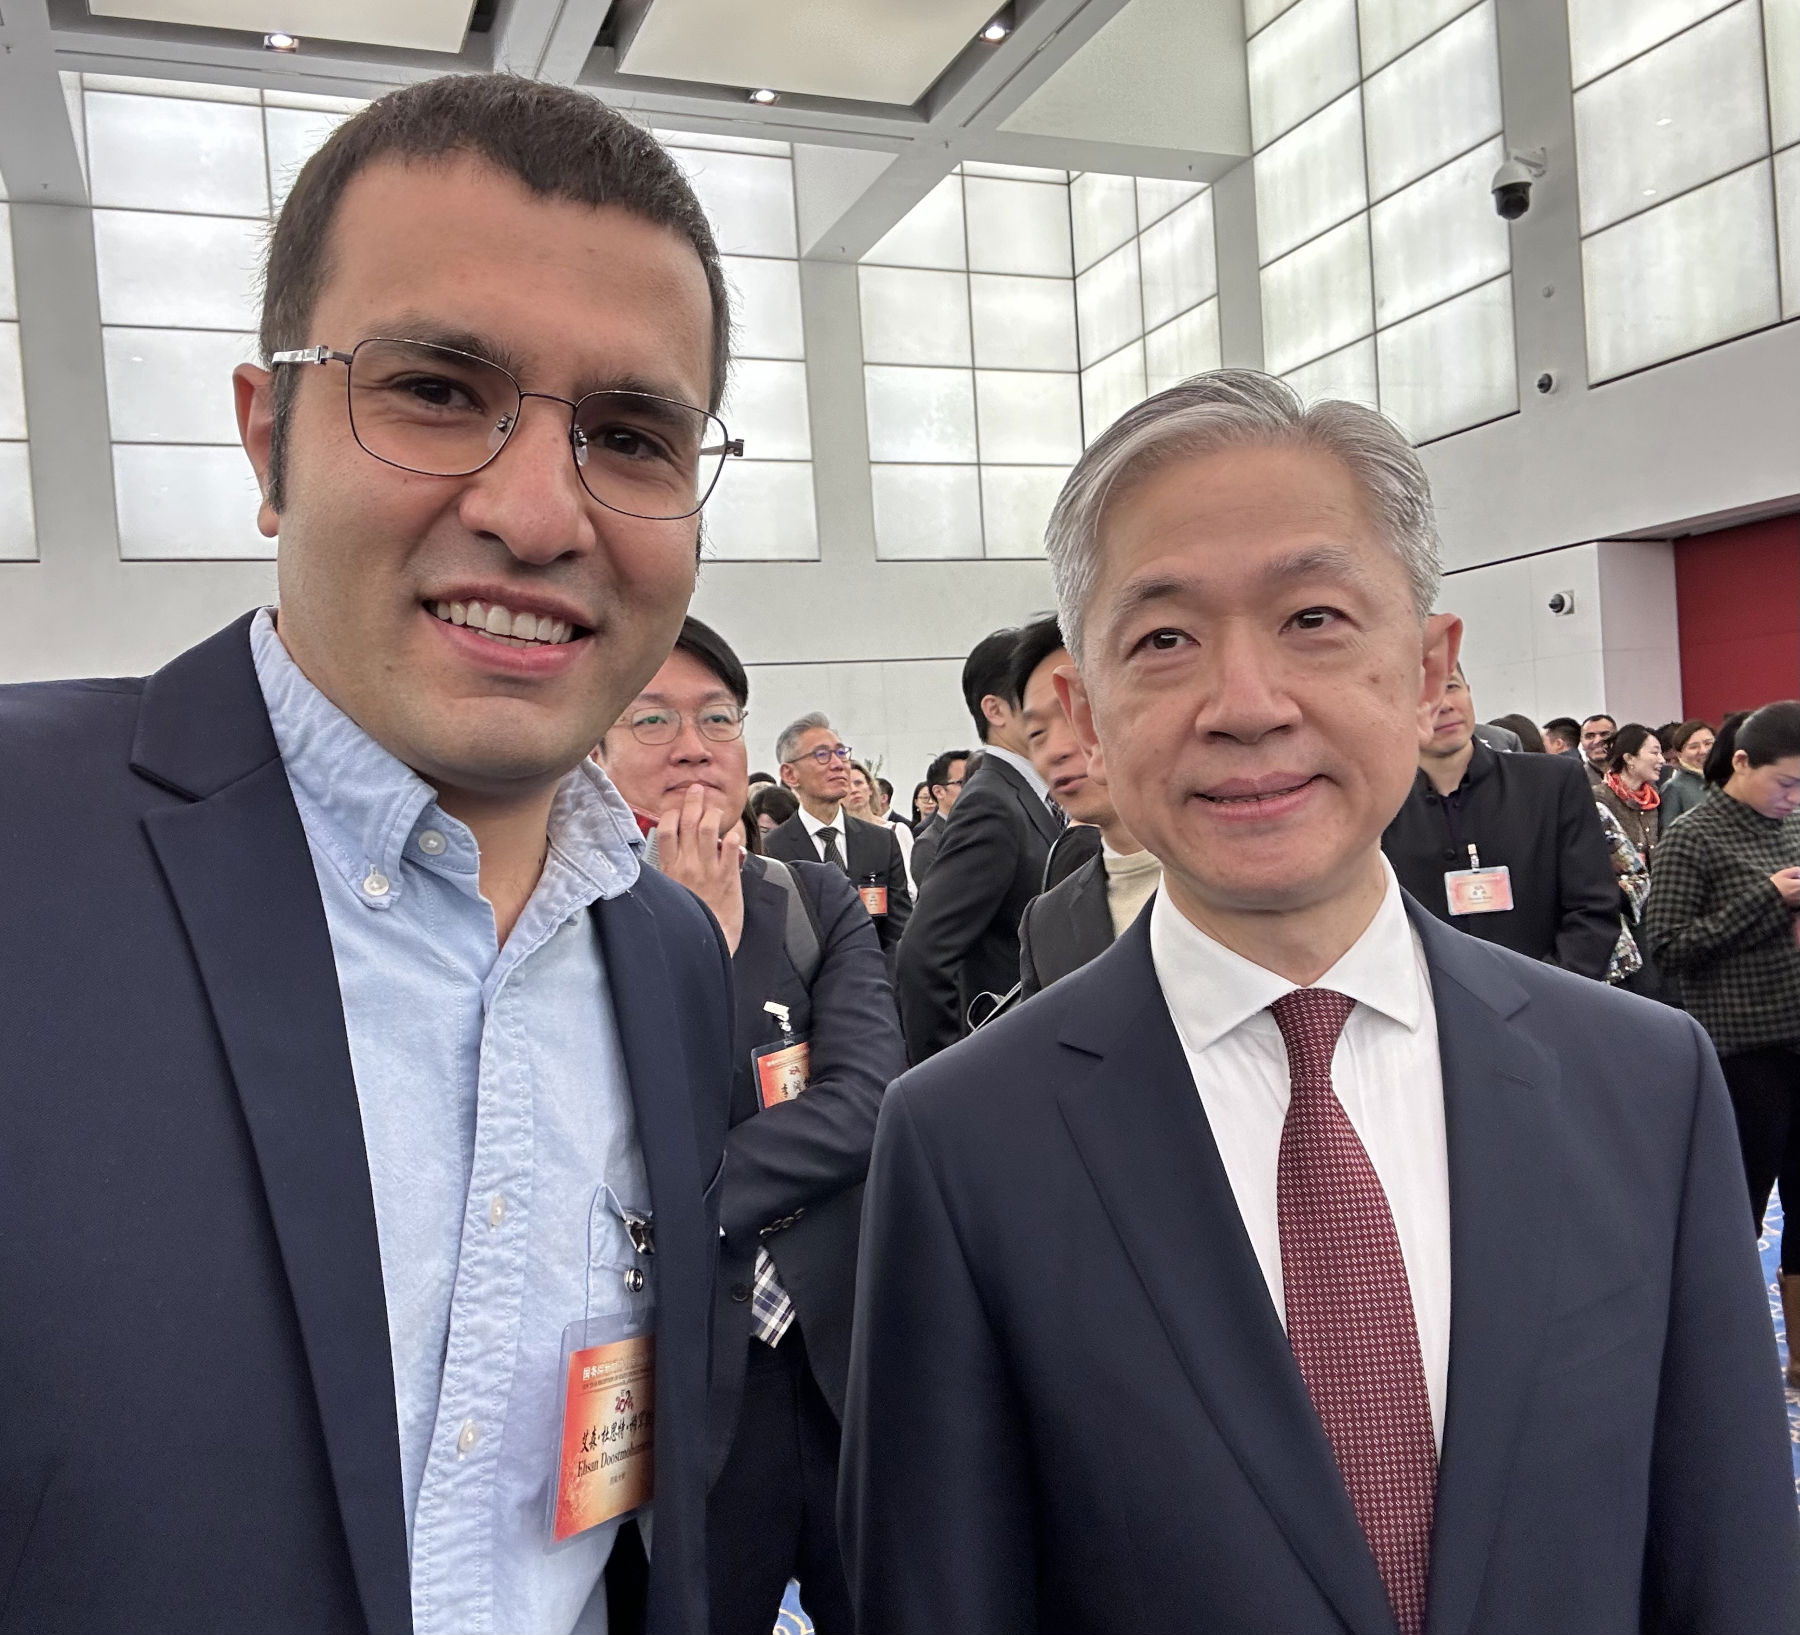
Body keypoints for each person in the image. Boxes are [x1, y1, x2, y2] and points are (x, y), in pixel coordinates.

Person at [842, 370, 1798, 1635]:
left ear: (1428, 668)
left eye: (1314, 618)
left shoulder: (1642, 1081)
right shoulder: (964, 1141)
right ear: (1080, 709)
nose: (1247, 705)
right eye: (1164, 639)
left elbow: (1727, 1558)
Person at [0, 77, 742, 1634]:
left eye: (628, 434)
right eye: (437, 390)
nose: (538, 513)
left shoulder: (669, 957)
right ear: (269, 439)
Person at [597, 618, 904, 1635]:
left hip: (840, 1360)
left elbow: (866, 1100)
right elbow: (605, 1130)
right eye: (652, 720)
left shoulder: (812, 898)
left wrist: (675, 1202)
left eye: (718, 719)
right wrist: (696, 938)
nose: (693, 746)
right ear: (595, 750)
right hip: (685, 1381)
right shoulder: (571, 917)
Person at [1644, 703, 1800, 1387]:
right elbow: (1668, 946)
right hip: (1743, 1053)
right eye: (1785, 783)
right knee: (1739, 1208)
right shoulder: (1693, 836)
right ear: (1741, 762)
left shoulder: (1792, 825)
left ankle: (1799, 1360)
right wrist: (1766, 898)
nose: (1793, 798)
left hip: (1797, 1037)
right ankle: (1725, 1360)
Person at [1382, 663, 1619, 978]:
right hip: (1430, 998)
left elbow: (1594, 909)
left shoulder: (1551, 783)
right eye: (1421, 694)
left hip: (1550, 993)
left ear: (1469, 692)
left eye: (1451, 686)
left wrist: (1545, 991)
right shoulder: (1379, 808)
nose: (1444, 704)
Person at [896, 624, 1064, 1061]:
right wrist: (948, 1068)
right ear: (996, 710)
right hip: (1012, 1053)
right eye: (1040, 694)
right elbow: (923, 954)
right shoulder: (992, 803)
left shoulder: (1032, 794)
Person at [1014, 622, 1157, 998]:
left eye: (1079, 713)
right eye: (1036, 733)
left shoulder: (1258, 870)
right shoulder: (1047, 922)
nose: (1056, 750)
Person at [763, 715, 912, 970]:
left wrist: (882, 984)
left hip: (877, 983)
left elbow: (898, 931)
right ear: (790, 774)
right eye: (822, 755)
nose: (838, 764)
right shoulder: (772, 850)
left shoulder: (881, 841)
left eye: (841, 753)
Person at [1595, 723, 1664, 867]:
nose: (1662, 760)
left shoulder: (1653, 796)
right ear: (1629, 758)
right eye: (1655, 753)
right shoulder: (1600, 797)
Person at [848, 761, 915, 888]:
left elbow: (911, 883)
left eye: (858, 783)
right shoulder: (837, 837)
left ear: (870, 788)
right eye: (846, 785)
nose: (854, 790)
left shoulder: (897, 830)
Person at [908, 747, 968, 887]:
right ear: (939, 792)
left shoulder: (984, 830)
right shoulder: (928, 843)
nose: (973, 787)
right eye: (962, 783)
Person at [1660, 718, 1715, 827]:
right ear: (1679, 754)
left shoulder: (1728, 780)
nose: (1703, 751)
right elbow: (1668, 831)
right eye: (1694, 747)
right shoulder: (1674, 788)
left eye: (1708, 743)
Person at [1580, 712, 1617, 783]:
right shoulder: (1572, 781)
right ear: (1582, 742)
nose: (1597, 741)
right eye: (1590, 736)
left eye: (1605, 734)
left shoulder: (1635, 776)